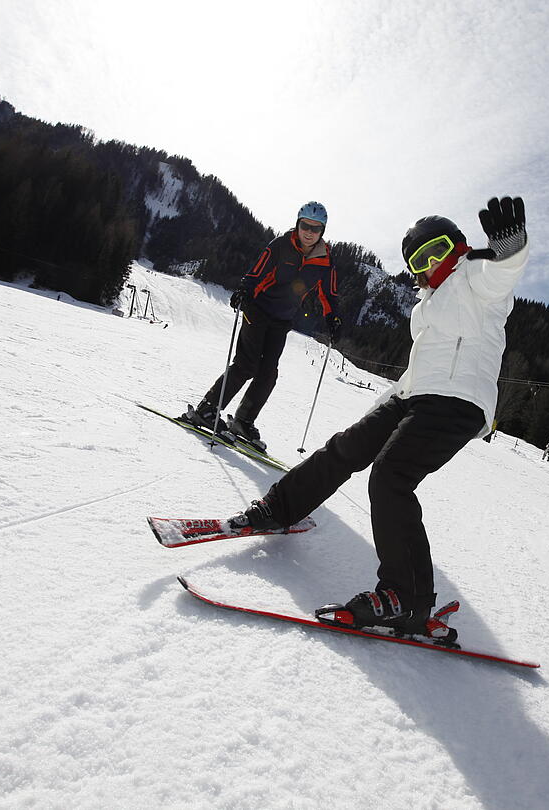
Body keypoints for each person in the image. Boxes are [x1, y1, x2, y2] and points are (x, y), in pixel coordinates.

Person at [226, 196, 529, 637]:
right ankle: (279, 507)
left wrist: (512, 248)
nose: (430, 264)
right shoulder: (427, 305)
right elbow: (419, 368)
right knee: (346, 447)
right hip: (415, 394)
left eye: (437, 251)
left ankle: (407, 601)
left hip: (458, 400)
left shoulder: (476, 278)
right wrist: (380, 410)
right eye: (419, 260)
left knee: (390, 476)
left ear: (458, 247)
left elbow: (505, 272)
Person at [183, 201, 341, 448]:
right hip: (257, 308)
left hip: (282, 319)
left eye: (316, 228)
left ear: (323, 231)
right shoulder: (280, 246)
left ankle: (243, 421)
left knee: (268, 373)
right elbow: (257, 272)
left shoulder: (325, 261)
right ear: (297, 224)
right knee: (247, 363)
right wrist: (245, 289)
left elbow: (328, 294)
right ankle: (208, 409)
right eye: (305, 226)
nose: (309, 232)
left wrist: (333, 317)